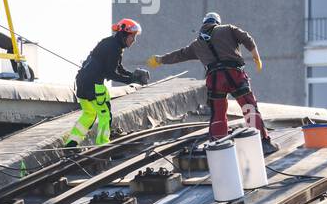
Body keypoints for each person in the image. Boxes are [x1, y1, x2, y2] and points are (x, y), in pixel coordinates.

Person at [147, 12, 279, 155]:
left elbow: (179, 55)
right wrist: (256, 57)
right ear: (217, 22)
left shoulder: (197, 44)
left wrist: (159, 60)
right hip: (234, 74)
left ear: (204, 23)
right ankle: (261, 142)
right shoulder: (228, 29)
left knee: (218, 113)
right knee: (248, 106)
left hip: (215, 79)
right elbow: (247, 39)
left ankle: (219, 145)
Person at [64, 19, 150, 148]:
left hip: (81, 82)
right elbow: (110, 73)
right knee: (105, 115)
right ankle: (102, 144)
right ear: (124, 34)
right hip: (93, 86)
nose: (134, 40)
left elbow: (117, 67)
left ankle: (71, 144)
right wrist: (131, 81)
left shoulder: (109, 43)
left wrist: (132, 76)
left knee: (89, 114)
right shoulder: (114, 48)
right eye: (133, 36)